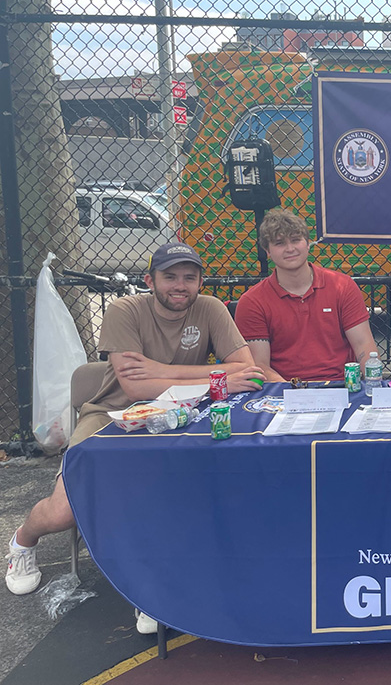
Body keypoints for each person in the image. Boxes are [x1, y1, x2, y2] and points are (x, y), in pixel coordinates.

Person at [5, 243, 263, 633]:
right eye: (170, 276)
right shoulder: (124, 310)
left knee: (175, 493)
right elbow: (134, 387)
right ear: (150, 280)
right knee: (64, 512)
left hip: (184, 414)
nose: (180, 286)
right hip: (111, 415)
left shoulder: (210, 308)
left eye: (189, 278)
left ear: (199, 282)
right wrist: (217, 376)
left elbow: (248, 367)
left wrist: (161, 369)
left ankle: (151, 590)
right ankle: (22, 541)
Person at [234, 208, 379, 381]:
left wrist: (372, 386)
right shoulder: (252, 302)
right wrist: (296, 394)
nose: (290, 249)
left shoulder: (343, 286)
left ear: (308, 243)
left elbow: (364, 346)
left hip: (342, 387)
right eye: (279, 243)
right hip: (284, 393)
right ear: (267, 251)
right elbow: (260, 366)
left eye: (296, 240)